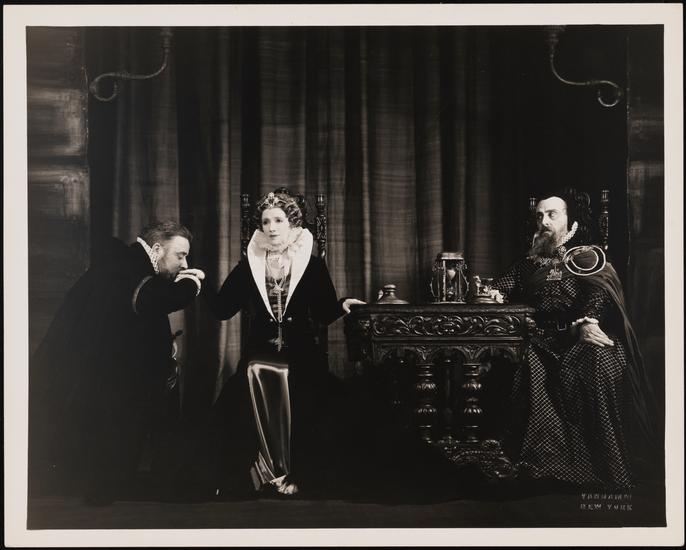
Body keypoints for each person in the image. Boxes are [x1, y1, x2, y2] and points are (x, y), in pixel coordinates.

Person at [490, 192, 658, 490]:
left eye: (552, 214)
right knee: (527, 364)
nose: (543, 221)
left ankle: (603, 468)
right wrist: (492, 295)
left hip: (581, 335)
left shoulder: (586, 255)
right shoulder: (527, 264)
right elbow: (500, 289)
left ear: (571, 220)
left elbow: (599, 292)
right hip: (541, 340)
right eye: (539, 216)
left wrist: (587, 322)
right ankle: (546, 466)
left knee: (596, 361)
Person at [29, 220, 205, 505]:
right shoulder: (131, 265)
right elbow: (152, 300)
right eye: (180, 255)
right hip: (108, 373)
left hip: (108, 367)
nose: (184, 264)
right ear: (157, 249)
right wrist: (191, 283)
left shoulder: (128, 263)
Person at [204, 189, 364, 497]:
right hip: (259, 352)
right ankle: (258, 473)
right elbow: (222, 309)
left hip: (302, 352)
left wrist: (342, 305)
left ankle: (299, 471)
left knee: (312, 393)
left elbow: (322, 312)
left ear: (292, 223)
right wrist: (201, 283)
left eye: (278, 220)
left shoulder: (311, 265)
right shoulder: (249, 266)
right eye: (266, 221)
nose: (272, 228)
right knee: (251, 380)